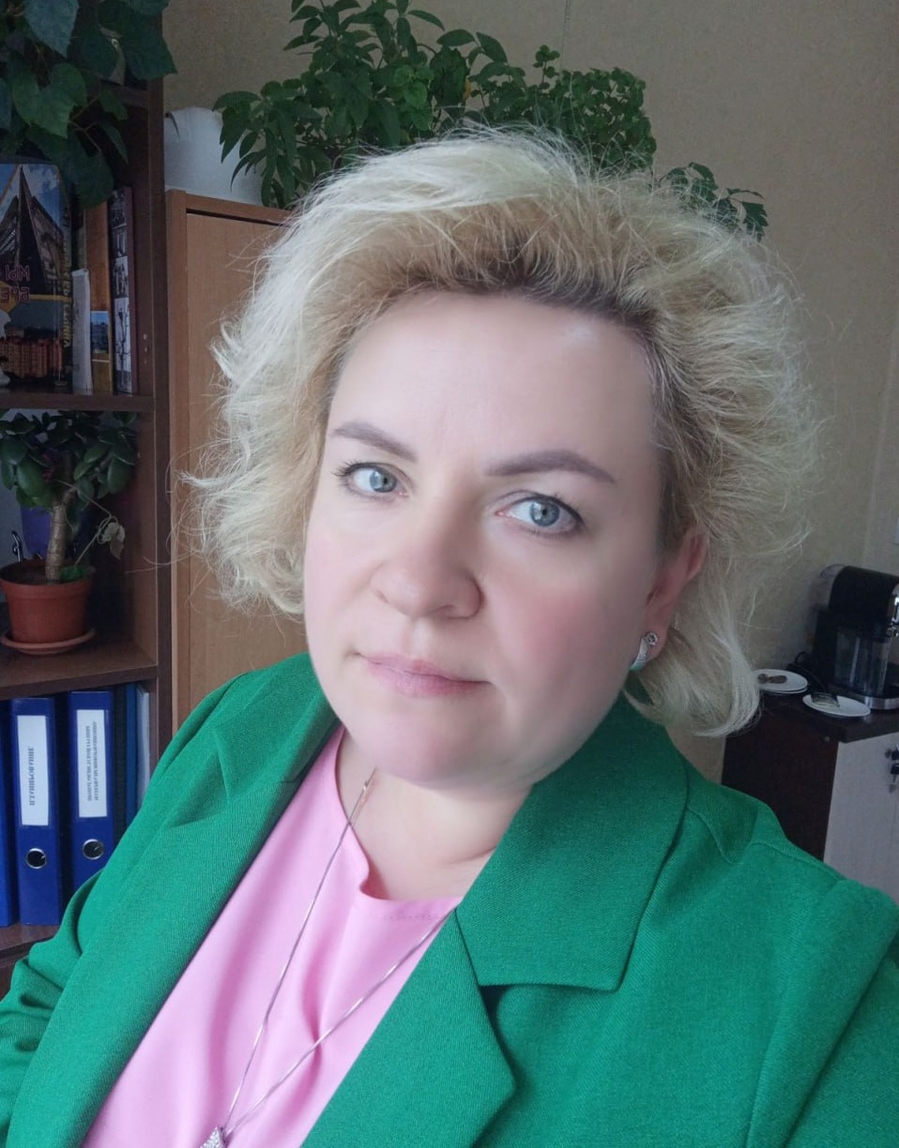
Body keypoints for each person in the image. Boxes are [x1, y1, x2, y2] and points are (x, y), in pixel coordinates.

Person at [1, 131, 897, 1148]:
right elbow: (53, 1002)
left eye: (540, 510)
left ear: (660, 581)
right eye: (375, 477)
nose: (419, 582)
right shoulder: (243, 729)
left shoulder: (812, 1020)